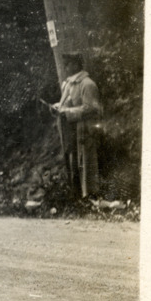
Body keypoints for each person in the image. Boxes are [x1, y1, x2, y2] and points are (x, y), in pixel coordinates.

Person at [51, 52, 102, 198]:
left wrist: (67, 111)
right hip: (70, 130)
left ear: (76, 64)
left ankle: (89, 196)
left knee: (85, 162)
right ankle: (76, 196)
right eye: (65, 64)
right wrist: (57, 107)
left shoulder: (88, 84)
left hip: (84, 130)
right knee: (72, 161)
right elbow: (66, 103)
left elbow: (91, 109)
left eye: (68, 64)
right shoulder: (68, 84)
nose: (66, 67)